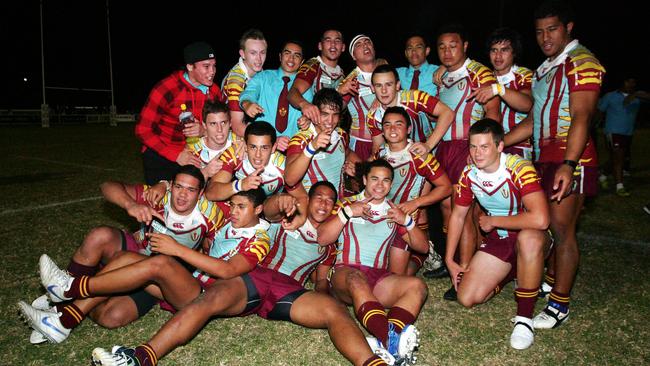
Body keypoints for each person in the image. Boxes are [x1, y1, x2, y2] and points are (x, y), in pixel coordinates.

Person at [91, 183, 394, 366]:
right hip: (248, 275)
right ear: (307, 200)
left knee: (332, 311)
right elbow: (271, 209)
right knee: (211, 298)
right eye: (318, 197)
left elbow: (320, 279)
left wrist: (324, 292)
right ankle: (142, 357)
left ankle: (372, 361)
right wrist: (283, 202)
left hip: (283, 288)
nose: (324, 203)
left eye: (330, 200)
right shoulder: (281, 220)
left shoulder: (328, 239)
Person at [17, 166, 225, 344]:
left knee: (111, 317)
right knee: (100, 236)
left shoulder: (210, 213)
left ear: (200, 194)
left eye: (190, 190)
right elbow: (107, 186)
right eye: (178, 187)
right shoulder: (158, 195)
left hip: (166, 278)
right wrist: (131, 205)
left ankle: (72, 294)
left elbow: (221, 253)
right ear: (170, 185)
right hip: (140, 252)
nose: (182, 195)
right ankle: (63, 311)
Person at [505, 0, 605, 329]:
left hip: (569, 156)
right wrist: (497, 144)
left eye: (552, 29)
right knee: (543, 224)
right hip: (542, 156)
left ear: (568, 28)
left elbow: (583, 115)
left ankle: (559, 305)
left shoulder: (581, 61)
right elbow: (534, 120)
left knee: (563, 231)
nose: (545, 37)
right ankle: (549, 281)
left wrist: (569, 163)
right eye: (539, 31)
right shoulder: (546, 67)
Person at [446, 119, 551, 350]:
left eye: (484, 146)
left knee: (528, 238)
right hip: (501, 240)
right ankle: (514, 271)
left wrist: (494, 221)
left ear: (500, 146)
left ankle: (524, 319)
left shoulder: (518, 167)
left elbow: (541, 219)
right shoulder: (469, 174)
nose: (477, 153)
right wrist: (449, 259)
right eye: (473, 147)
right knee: (467, 298)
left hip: (532, 237)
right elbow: (457, 216)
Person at [317, 159, 429, 364]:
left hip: (377, 278)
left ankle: (385, 342)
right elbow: (323, 238)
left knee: (417, 286)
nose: (380, 185)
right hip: (344, 274)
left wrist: (407, 221)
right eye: (374, 179)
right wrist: (348, 212)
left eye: (386, 180)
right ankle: (390, 340)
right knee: (356, 278)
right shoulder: (346, 203)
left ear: (391, 184)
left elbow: (423, 248)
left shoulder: (393, 211)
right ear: (364, 179)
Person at [434, 23, 501, 300]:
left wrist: (484, 155)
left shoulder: (479, 72)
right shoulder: (444, 76)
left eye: (453, 45)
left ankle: (465, 271)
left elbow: (493, 114)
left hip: (466, 148)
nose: (447, 52)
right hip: (444, 147)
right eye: (442, 47)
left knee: (467, 212)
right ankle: (453, 264)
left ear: (465, 46)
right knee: (448, 207)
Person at [374, 106, 452, 275]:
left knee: (396, 277)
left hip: (407, 225)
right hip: (383, 221)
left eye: (398, 124)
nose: (392, 129)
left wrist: (415, 203)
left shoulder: (419, 156)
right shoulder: (380, 154)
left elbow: (446, 188)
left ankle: (421, 257)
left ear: (409, 129)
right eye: (387, 125)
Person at [136, 41, 224, 184]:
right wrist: (176, 155)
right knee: (160, 202)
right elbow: (142, 130)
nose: (212, 71)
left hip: (195, 155)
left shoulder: (214, 92)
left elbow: (221, 125)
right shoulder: (167, 88)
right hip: (161, 155)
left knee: (192, 201)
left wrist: (204, 131)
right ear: (190, 66)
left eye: (214, 66)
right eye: (206, 66)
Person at [468, 28, 534, 160]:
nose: (498, 56)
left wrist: (499, 89)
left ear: (514, 53)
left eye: (504, 50)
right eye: (494, 50)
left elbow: (527, 104)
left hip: (518, 147)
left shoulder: (524, 75)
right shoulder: (483, 76)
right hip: (488, 147)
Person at [285, 88, 359, 199]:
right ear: (315, 112)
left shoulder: (341, 135)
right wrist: (312, 147)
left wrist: (361, 169)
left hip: (337, 204)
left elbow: (347, 153)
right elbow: (289, 180)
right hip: (312, 209)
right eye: (325, 114)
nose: (330, 121)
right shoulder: (301, 140)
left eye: (335, 115)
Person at [366, 64, 455, 155]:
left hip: (432, 153)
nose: (383, 91)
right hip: (403, 161)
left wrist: (428, 145)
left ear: (397, 85)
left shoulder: (414, 97)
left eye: (388, 84)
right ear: (373, 88)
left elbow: (447, 113)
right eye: (378, 85)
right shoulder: (372, 116)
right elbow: (378, 148)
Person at [240, 40, 304, 152]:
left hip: (294, 150)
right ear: (280, 56)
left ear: (302, 62)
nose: (291, 59)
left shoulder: (305, 85)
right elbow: (249, 93)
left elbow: (310, 113)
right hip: (262, 149)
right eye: (287, 53)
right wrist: (247, 104)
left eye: (296, 55)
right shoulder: (263, 77)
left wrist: (307, 120)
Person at [205, 121, 286, 201]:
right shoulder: (236, 154)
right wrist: (240, 185)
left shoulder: (283, 165)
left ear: (274, 148)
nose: (258, 155)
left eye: (264, 148)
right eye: (253, 147)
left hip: (271, 208)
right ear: (245, 145)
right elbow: (210, 193)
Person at [597, 76, 648, 196]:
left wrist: (637, 95)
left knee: (618, 158)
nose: (631, 84)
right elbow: (600, 111)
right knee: (619, 158)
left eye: (633, 82)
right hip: (613, 131)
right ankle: (619, 186)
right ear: (621, 82)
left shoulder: (637, 98)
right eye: (628, 81)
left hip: (628, 132)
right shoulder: (610, 96)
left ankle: (602, 174)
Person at [339, 34, 383, 161]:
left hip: (388, 140)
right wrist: (338, 92)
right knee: (359, 180)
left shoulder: (387, 72)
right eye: (359, 44)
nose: (365, 45)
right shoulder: (351, 80)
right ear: (353, 56)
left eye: (367, 42)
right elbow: (337, 107)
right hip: (360, 143)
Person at [288, 29, 346, 124]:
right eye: (328, 40)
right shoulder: (313, 66)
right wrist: (304, 105)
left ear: (343, 47)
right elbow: (292, 93)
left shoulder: (342, 74)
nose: (333, 44)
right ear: (320, 46)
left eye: (337, 41)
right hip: (311, 128)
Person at [221, 29, 268, 137]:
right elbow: (237, 126)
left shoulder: (260, 72)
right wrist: (270, 141)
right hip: (230, 133)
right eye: (253, 53)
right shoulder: (236, 81)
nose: (259, 59)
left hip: (249, 124)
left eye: (262, 53)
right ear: (243, 54)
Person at [186, 100, 241, 180]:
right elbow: (187, 185)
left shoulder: (240, 143)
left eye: (223, 123)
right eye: (213, 124)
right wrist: (205, 172)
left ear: (230, 123)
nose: (219, 129)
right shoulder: (193, 150)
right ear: (204, 125)